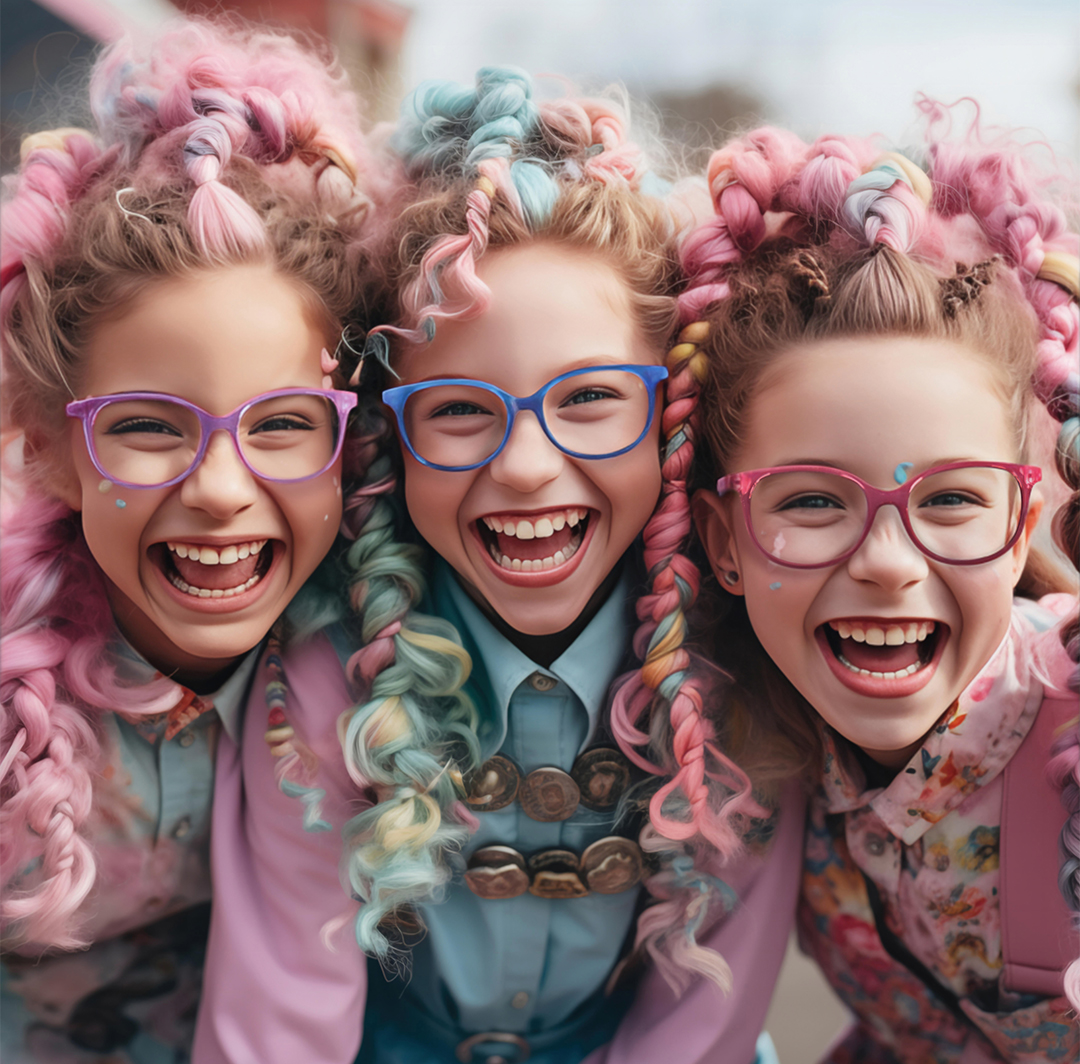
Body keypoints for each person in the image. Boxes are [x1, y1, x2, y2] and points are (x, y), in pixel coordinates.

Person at [195, 68, 805, 1064]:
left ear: (670, 415)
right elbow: (278, 1019)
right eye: (460, 410)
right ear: (392, 436)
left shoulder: (741, 679)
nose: (526, 468)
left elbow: (704, 1020)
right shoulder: (315, 679)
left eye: (593, 400)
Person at [0, 19, 372, 1062]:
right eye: (151, 428)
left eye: (284, 425)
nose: (219, 489)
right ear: (49, 450)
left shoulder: (367, 670)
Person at [686, 116, 1079, 1061]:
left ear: (1022, 522)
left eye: (950, 499)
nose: (890, 561)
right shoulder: (752, 753)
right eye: (815, 501)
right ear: (723, 542)